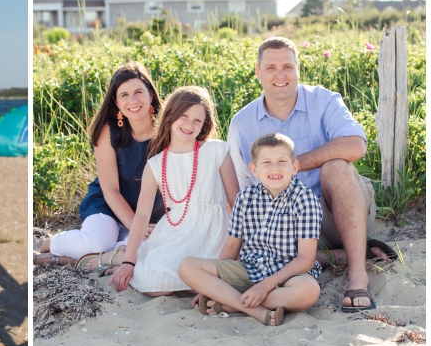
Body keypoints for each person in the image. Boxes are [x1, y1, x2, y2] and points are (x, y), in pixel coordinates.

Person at [226, 37, 393, 312]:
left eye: (287, 67)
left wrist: (296, 164)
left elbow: (356, 144)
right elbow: (244, 191)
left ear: (298, 69)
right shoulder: (242, 123)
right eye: (270, 68)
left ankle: (357, 275)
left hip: (334, 215)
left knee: (336, 166)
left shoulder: (323, 101)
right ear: (258, 72)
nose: (280, 75)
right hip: (286, 227)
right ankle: (338, 255)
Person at [95, 86, 240, 294]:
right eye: (184, 116)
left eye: (197, 120)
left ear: (203, 125)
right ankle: (122, 255)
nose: (190, 124)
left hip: (216, 233)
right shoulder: (156, 164)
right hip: (178, 231)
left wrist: (243, 244)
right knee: (153, 284)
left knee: (203, 279)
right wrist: (129, 262)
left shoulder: (217, 150)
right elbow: (142, 216)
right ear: (170, 116)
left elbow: (236, 202)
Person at [178, 133, 323, 326]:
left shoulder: (305, 199)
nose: (275, 168)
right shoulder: (245, 197)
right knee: (187, 266)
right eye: (267, 162)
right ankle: (252, 307)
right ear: (254, 169)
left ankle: (231, 304)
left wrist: (264, 286)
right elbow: (232, 245)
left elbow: (305, 259)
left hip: (288, 274)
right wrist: (212, 285)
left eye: (282, 161)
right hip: (249, 268)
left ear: (294, 166)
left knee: (308, 291)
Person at [33, 62, 165, 267]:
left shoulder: (167, 131)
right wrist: (136, 226)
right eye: (124, 95)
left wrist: (142, 227)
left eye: (139, 92)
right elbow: (110, 189)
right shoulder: (109, 131)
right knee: (96, 242)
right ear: (116, 102)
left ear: (150, 94)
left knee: (146, 250)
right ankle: (49, 244)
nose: (133, 100)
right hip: (110, 205)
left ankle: (76, 259)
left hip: (152, 212)